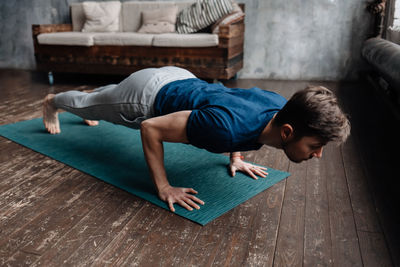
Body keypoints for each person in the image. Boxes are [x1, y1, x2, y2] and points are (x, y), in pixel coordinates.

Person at [42, 66, 350, 212]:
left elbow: (239, 106)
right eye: (315, 146)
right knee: (91, 103)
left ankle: (106, 95)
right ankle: (53, 101)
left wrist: (236, 157)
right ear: (287, 133)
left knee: (107, 96)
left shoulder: (278, 106)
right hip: (147, 95)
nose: (318, 155)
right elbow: (150, 128)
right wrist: (164, 188)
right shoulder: (223, 129)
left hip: (182, 78)